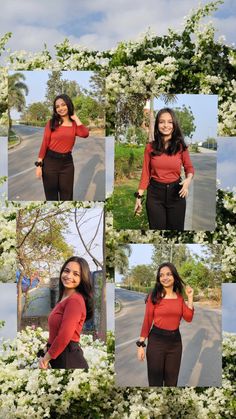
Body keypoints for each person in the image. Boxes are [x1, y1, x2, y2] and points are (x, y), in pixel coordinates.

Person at [134, 108, 195, 230]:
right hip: (155, 195)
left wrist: (188, 180)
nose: (166, 125)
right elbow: (146, 173)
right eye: (162, 122)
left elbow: (189, 167)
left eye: (169, 122)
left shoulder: (181, 146)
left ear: (174, 125)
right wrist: (138, 197)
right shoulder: (150, 147)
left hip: (176, 193)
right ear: (157, 124)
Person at [136, 262, 194, 386]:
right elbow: (147, 321)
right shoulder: (154, 297)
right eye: (161, 275)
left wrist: (189, 298)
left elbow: (188, 318)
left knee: (172, 382)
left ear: (174, 277)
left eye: (168, 274)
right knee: (155, 382)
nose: (165, 277)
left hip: (175, 343)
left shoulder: (179, 298)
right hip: (157, 342)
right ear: (158, 278)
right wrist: (140, 344)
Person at [39, 256, 93, 369]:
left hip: (67, 359)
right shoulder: (64, 299)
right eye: (66, 271)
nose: (69, 276)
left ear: (82, 278)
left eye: (76, 274)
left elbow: (64, 335)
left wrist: (46, 359)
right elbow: (55, 333)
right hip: (59, 355)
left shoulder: (75, 300)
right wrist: (46, 350)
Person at [35, 94, 89, 201]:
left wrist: (75, 117)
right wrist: (39, 165)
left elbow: (85, 133)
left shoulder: (74, 125)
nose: (61, 108)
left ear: (68, 105)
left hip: (67, 164)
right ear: (55, 109)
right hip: (50, 162)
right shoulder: (51, 123)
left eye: (63, 105)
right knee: (51, 197)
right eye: (57, 106)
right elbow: (44, 143)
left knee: (67, 197)